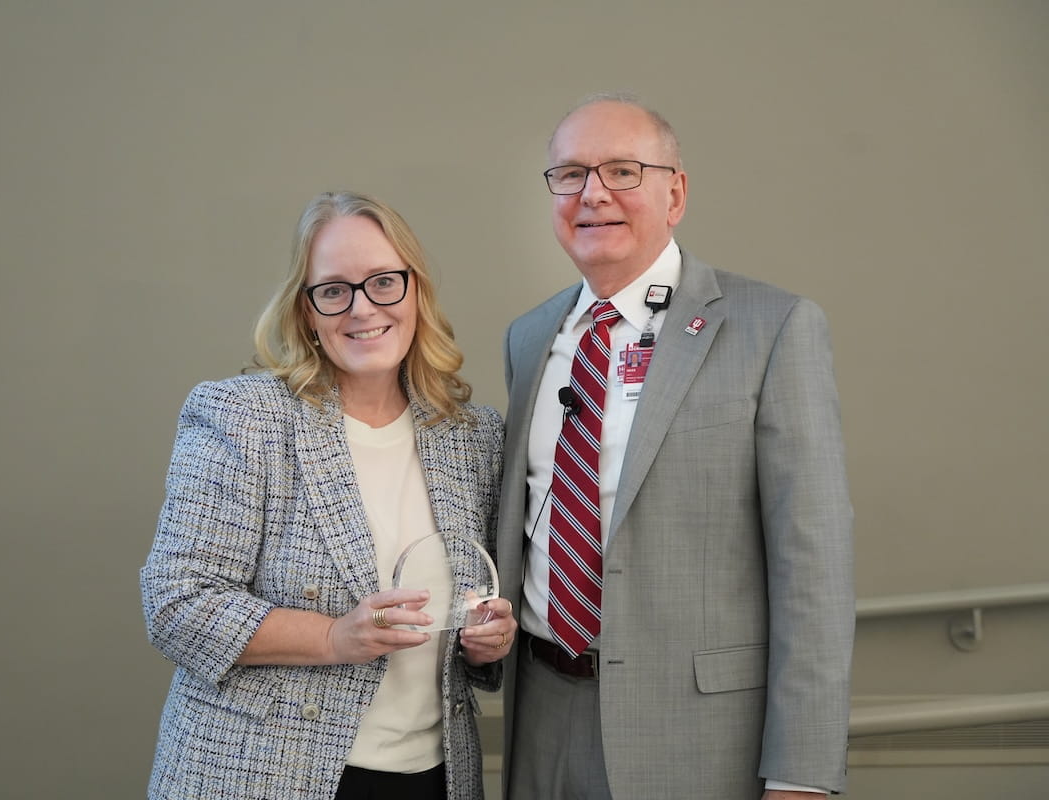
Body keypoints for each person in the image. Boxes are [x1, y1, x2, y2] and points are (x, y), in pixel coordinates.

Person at [496, 94, 855, 799]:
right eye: (569, 174)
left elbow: (814, 565)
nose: (593, 192)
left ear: (675, 192)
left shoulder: (772, 328)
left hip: (700, 735)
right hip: (542, 713)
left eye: (622, 170)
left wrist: (801, 775)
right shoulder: (530, 338)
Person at [141, 190, 517, 800]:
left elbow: (474, 608)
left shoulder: (472, 435)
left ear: (415, 291)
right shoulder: (244, 417)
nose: (362, 308)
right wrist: (333, 637)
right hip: (266, 776)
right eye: (334, 290)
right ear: (307, 312)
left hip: (435, 776)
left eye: (382, 282)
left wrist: (487, 642)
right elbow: (176, 604)